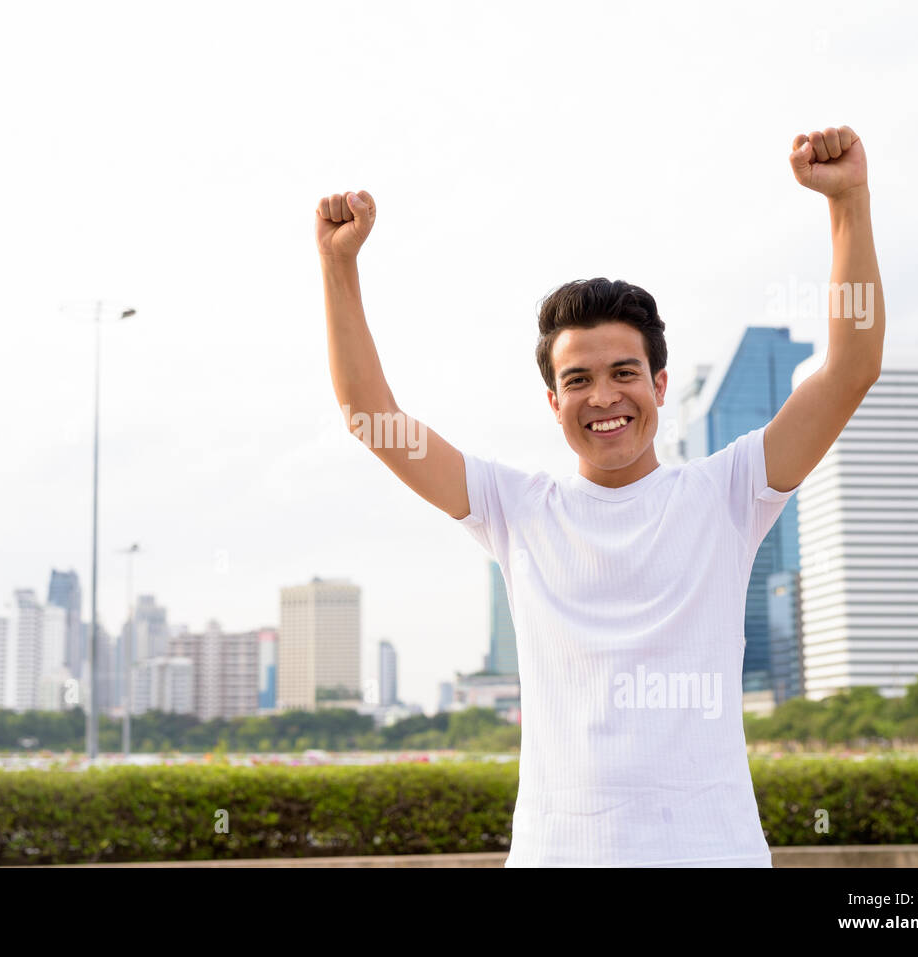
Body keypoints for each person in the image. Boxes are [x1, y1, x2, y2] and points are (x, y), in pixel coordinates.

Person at [314, 125, 883, 867]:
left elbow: (851, 369)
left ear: (660, 385)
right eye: (578, 380)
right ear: (554, 401)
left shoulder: (730, 492)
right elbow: (370, 416)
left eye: (624, 373)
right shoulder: (513, 508)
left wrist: (847, 204)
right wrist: (338, 265)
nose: (604, 397)